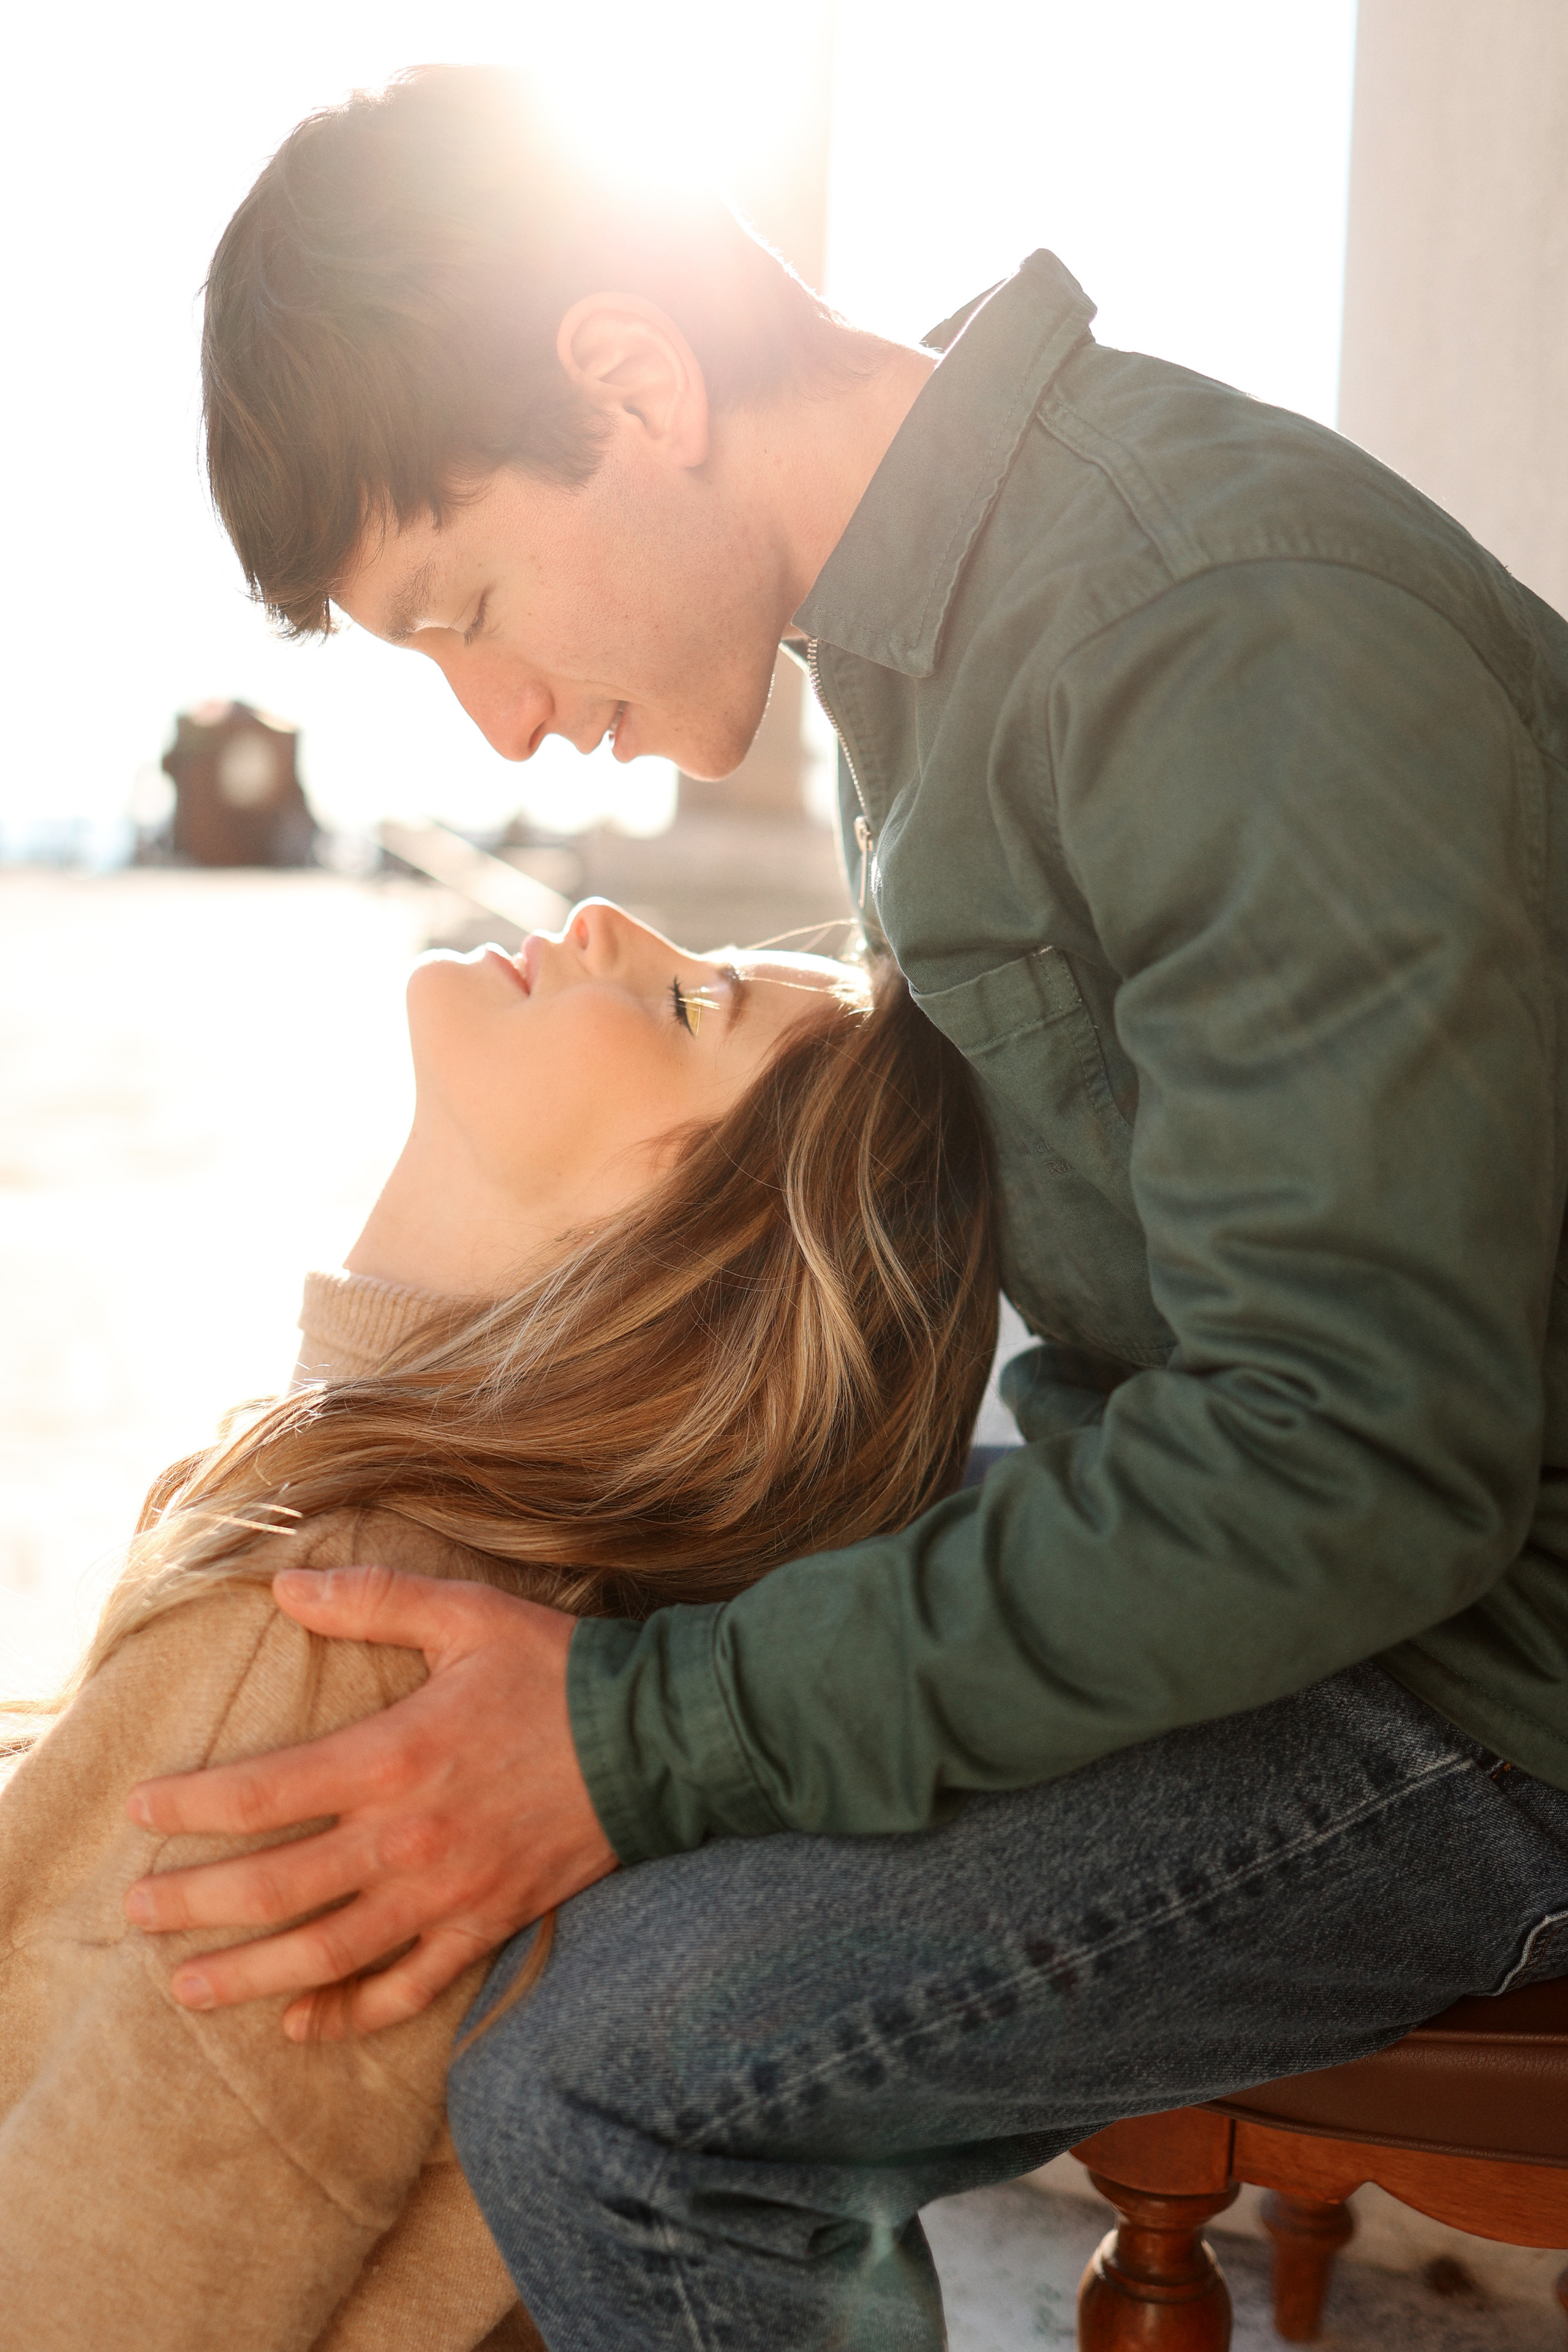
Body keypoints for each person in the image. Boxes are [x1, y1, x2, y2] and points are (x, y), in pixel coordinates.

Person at [129, 61, 1568, 2350]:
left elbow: (1358, 1461)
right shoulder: (951, 633)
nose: (501, 725)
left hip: (1492, 1699)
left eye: (472, 601)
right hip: (1326, 1588)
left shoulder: (1206, 626)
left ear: (634, 376)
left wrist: (640, 1735)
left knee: (622, 2088)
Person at [0, 907, 998, 2350]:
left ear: (692, 1248)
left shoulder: (348, 1618)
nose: (607, 920)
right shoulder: (390, 1539)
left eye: (689, 1005)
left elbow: (131, 2262)